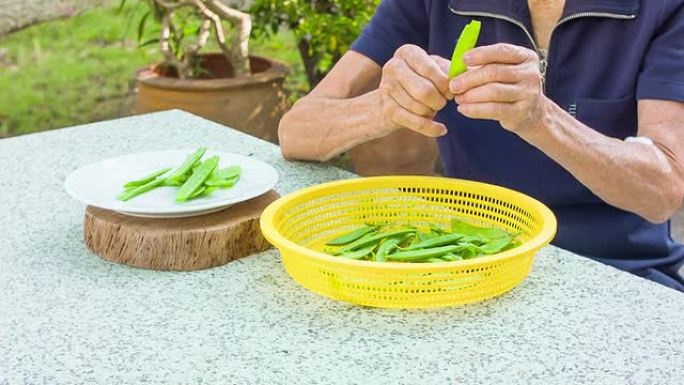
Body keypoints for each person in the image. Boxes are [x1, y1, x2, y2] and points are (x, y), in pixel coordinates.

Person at [277, 0, 684, 291]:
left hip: (616, 271)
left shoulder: (664, 9)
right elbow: (296, 133)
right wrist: (385, 107)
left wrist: (541, 119)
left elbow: (664, 189)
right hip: (469, 262)